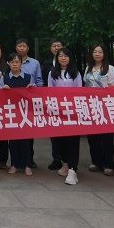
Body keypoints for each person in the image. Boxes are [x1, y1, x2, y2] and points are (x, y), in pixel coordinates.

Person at [48, 47, 83, 185]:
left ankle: (73, 170)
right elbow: (50, 92)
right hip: (58, 113)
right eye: (60, 56)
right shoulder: (52, 73)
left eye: (66, 56)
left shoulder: (76, 73)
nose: (63, 58)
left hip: (72, 112)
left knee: (72, 141)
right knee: (59, 141)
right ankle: (66, 163)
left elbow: (79, 91)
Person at [83, 44, 114, 176]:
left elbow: (112, 86)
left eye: (100, 52)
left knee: (106, 137)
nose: (97, 54)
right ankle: (95, 161)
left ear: (104, 54)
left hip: (105, 106)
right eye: (95, 52)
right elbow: (85, 85)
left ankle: (108, 164)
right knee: (93, 136)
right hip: (90, 106)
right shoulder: (88, 68)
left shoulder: (110, 69)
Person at [0, 52, 34, 176]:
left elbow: (35, 93)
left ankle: (27, 165)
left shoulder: (28, 77)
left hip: (26, 113)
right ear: (8, 63)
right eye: (12, 62)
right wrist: (3, 90)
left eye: (17, 62)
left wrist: (32, 88)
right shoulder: (5, 78)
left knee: (26, 141)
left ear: (21, 63)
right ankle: (14, 164)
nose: (15, 64)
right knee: (13, 140)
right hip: (11, 113)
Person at [15, 38, 42, 168]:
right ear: (16, 48)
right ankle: (16, 160)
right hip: (14, 103)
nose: (21, 48)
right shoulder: (12, 61)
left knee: (29, 131)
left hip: (29, 102)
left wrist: (35, 90)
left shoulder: (35, 63)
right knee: (15, 131)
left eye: (24, 46)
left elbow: (39, 81)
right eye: (19, 46)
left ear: (28, 48)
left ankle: (29, 159)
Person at [42, 39, 64, 170]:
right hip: (52, 101)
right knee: (54, 130)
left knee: (66, 131)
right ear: (50, 48)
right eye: (54, 46)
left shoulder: (70, 63)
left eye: (58, 45)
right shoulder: (47, 64)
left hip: (67, 103)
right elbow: (44, 81)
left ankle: (67, 159)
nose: (56, 48)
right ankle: (56, 158)